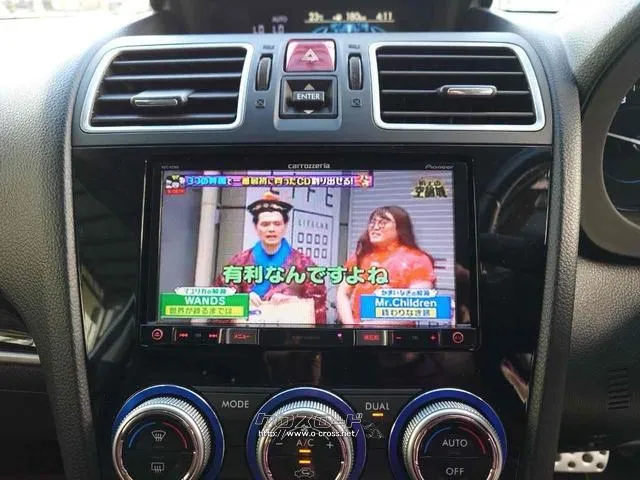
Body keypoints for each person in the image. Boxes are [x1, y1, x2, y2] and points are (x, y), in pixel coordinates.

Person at [214, 191, 327, 324]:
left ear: (285, 226)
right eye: (265, 224)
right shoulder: (239, 263)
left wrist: (294, 302)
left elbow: (318, 310)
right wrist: (241, 301)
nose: (271, 229)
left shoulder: (304, 265)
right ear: (256, 227)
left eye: (277, 224)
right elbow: (218, 304)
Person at [336, 206, 436, 326]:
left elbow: (418, 307)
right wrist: (350, 325)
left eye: (383, 223)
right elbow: (343, 293)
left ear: (400, 228)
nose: (375, 227)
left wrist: (370, 325)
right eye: (373, 222)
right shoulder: (360, 256)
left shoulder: (418, 260)